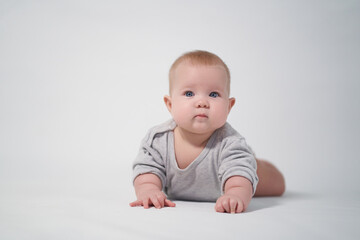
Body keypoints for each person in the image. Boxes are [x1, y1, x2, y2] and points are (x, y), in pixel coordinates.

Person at [130, 50, 285, 214]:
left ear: (228, 106)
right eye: (189, 93)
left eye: (213, 94)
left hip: (238, 169)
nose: (202, 102)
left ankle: (255, 163)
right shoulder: (158, 140)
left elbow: (239, 180)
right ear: (170, 104)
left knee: (272, 183)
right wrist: (148, 190)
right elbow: (146, 169)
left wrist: (235, 194)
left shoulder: (230, 143)